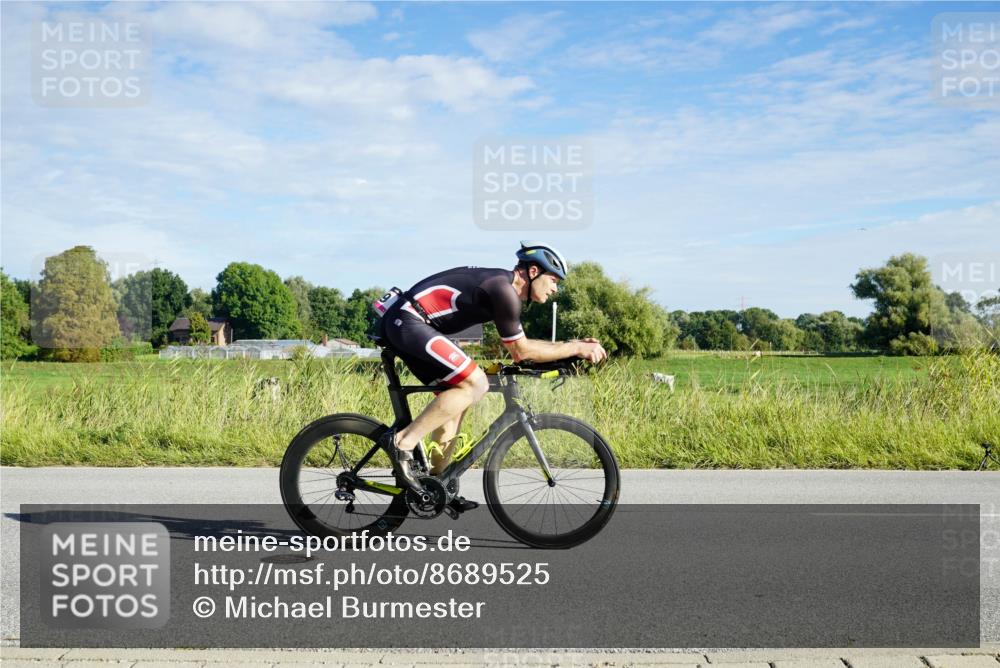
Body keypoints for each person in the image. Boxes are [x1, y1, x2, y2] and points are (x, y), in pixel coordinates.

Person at [374, 241, 608, 513]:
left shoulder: (504, 288)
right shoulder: (503, 290)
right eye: (553, 280)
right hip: (409, 321)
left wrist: (572, 346)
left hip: (414, 324)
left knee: (457, 401)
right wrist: (576, 347)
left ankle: (434, 484)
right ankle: (402, 441)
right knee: (476, 383)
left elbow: (526, 347)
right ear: (533, 271)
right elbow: (521, 351)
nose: (555, 288)